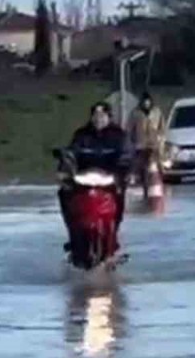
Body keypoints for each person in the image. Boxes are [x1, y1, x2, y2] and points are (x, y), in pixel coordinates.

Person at [58, 102, 132, 247]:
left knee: (120, 196)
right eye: (95, 116)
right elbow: (71, 153)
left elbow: (127, 155)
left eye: (102, 116)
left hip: (110, 180)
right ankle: (73, 232)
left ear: (109, 117)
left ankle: (114, 232)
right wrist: (66, 166)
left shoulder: (119, 135)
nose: (99, 119)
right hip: (84, 180)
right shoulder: (81, 135)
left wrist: (122, 172)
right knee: (63, 194)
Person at [128, 93, 167, 199]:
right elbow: (130, 129)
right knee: (141, 167)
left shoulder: (157, 112)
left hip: (154, 145)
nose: (146, 103)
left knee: (158, 166)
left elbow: (162, 127)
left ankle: (161, 184)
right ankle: (144, 188)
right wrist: (132, 143)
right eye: (144, 101)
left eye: (148, 101)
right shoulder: (135, 113)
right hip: (140, 145)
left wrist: (161, 139)